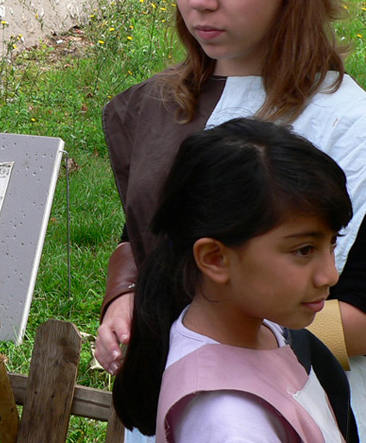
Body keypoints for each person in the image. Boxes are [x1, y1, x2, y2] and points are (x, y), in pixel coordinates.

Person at [94, 0, 366, 436]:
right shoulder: (163, 104)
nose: (199, 2)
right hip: (175, 398)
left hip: (279, 408)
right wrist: (126, 299)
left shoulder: (348, 123)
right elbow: (151, 235)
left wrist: (209, 340)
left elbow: (359, 313)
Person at [112, 118, 356, 442]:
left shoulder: (264, 330)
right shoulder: (229, 421)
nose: (331, 274)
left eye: (332, 244)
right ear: (215, 258)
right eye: (304, 250)